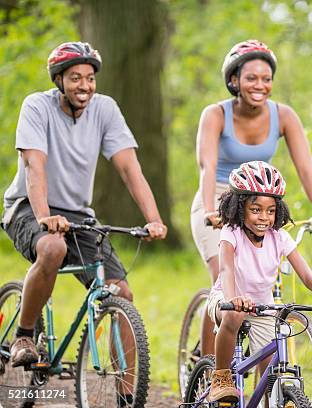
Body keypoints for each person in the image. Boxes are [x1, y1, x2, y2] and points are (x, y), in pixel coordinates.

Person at [1, 41, 167, 404]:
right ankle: (25, 335)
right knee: (52, 247)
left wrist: (153, 219)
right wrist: (45, 218)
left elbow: (129, 168)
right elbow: (35, 167)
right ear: (59, 80)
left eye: (90, 78)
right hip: (28, 206)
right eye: (75, 77)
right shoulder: (37, 106)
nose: (85, 85)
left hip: (78, 214)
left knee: (121, 293)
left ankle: (127, 397)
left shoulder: (105, 110)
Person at [191, 39, 312, 355]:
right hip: (219, 197)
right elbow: (207, 165)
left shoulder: (284, 115)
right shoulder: (215, 114)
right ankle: (209, 369)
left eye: (266, 79)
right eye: (251, 78)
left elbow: (306, 169)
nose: (260, 85)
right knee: (224, 277)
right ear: (234, 80)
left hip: (261, 200)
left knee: (267, 288)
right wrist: (208, 209)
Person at [204, 161, 312, 403]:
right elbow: (227, 268)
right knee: (234, 316)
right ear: (240, 208)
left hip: (262, 308)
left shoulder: (279, 237)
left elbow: (307, 276)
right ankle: (221, 377)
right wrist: (232, 300)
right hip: (226, 300)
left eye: (270, 211)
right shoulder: (231, 232)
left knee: (269, 376)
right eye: (256, 210)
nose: (264, 218)